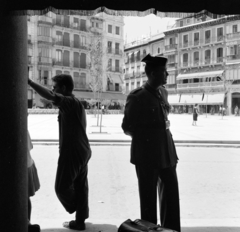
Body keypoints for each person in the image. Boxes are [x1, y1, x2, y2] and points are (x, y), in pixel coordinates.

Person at [121, 54, 181, 232]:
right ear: (153, 73)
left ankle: (171, 230)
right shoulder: (137, 97)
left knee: (171, 198)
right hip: (147, 156)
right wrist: (148, 137)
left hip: (167, 153)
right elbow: (127, 127)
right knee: (148, 202)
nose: (167, 75)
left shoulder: (163, 92)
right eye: (164, 72)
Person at [28, 74, 92, 231]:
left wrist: (29, 82)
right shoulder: (76, 103)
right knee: (80, 186)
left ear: (63, 89)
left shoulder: (69, 102)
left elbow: (50, 96)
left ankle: (77, 207)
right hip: (83, 150)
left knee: (61, 188)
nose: (53, 89)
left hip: (72, 152)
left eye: (55, 87)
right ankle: (80, 220)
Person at [27, 128, 41, 232]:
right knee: (26, 198)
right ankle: (27, 222)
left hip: (24, 166)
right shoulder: (23, 128)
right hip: (28, 164)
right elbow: (30, 147)